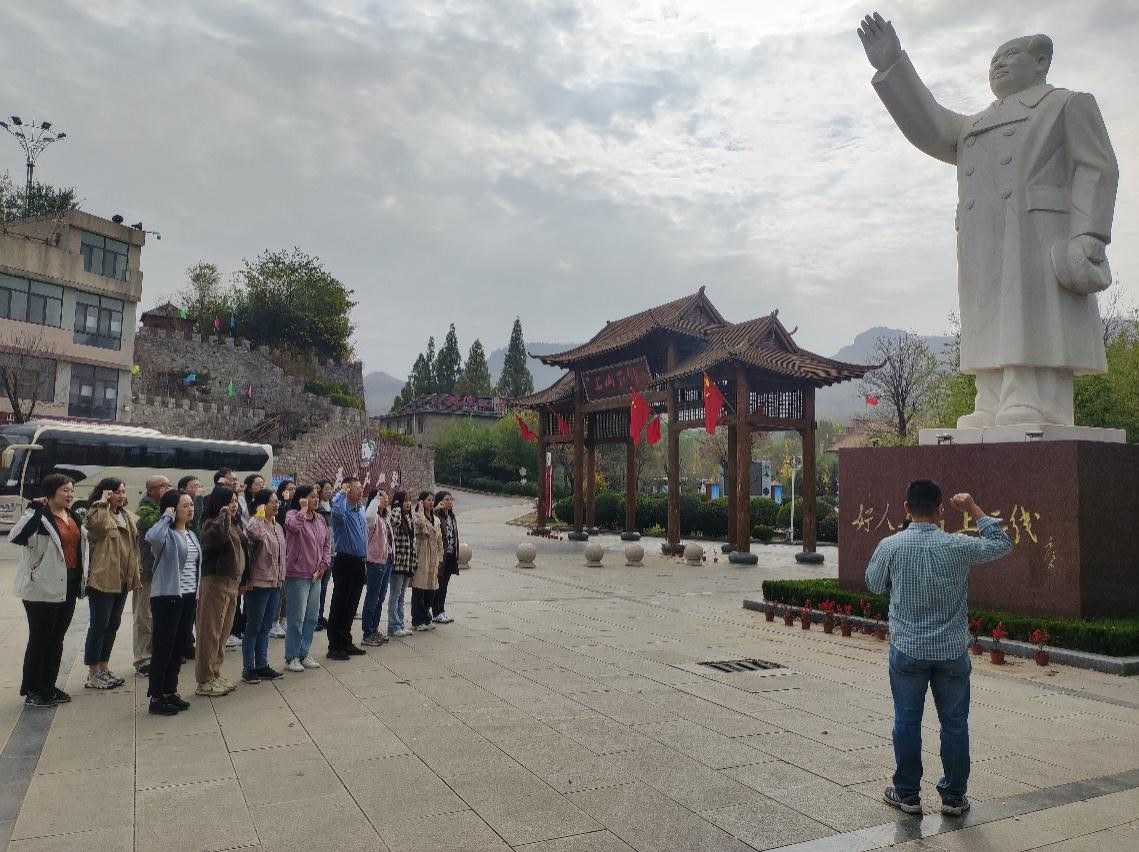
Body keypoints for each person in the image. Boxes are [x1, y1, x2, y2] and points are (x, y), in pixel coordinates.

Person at [858, 13, 1119, 427]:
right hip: (984, 236)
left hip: (1037, 231)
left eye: (1009, 55)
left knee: (1028, 313)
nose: (997, 64)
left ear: (1040, 61)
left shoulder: (1065, 104)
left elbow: (1097, 168)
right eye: (993, 60)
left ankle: (1029, 395)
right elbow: (932, 127)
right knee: (988, 313)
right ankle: (992, 395)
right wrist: (893, 65)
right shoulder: (974, 125)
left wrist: (1089, 233)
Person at [865, 480, 1012, 817]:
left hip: (907, 649)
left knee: (907, 721)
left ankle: (907, 794)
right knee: (955, 724)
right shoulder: (957, 545)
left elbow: (873, 584)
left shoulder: (891, 546)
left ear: (906, 507)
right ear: (941, 510)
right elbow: (1001, 544)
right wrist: (973, 507)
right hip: (951, 652)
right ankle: (954, 797)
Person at [11, 474, 88, 707]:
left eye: (72, 490)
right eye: (65, 490)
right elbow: (17, 536)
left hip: (68, 585)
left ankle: (48, 686)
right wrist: (33, 510)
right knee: (40, 639)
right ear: (51, 492)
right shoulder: (39, 515)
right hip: (41, 587)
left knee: (56, 639)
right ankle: (33, 690)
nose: (70, 494)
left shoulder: (73, 516)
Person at [144, 490, 200, 715]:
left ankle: (170, 691)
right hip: (167, 597)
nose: (190, 508)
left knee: (179, 647)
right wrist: (166, 517)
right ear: (172, 509)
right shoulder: (165, 534)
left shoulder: (191, 534)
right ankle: (156, 697)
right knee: (164, 647)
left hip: (188, 597)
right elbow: (152, 537)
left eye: (191, 504)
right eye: (185, 505)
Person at [83, 477, 141, 690]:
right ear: (105, 492)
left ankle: (104, 667)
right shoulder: (97, 513)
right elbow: (97, 529)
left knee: (113, 624)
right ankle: (93, 672)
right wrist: (101, 503)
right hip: (103, 579)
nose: (121, 495)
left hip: (122, 579)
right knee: (99, 625)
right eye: (116, 492)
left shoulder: (127, 515)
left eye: (123, 491)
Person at [195, 485, 245, 697]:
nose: (233, 505)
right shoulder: (210, 523)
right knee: (210, 633)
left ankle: (215, 672)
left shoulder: (233, 524)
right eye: (229, 501)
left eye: (235, 501)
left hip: (232, 583)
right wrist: (224, 515)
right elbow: (218, 539)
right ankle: (204, 679)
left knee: (223, 633)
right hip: (215, 582)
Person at [283, 484, 331, 671]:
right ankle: (292, 656)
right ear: (302, 498)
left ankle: (304, 653)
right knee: (296, 618)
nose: (316, 499)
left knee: (311, 617)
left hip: (316, 575)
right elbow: (293, 527)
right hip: (297, 574)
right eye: (312, 496)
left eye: (316, 496)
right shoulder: (292, 515)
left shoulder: (319, 519)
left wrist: (324, 563)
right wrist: (302, 510)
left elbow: (326, 543)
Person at [241, 490, 286, 683]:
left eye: (277, 502)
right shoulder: (255, 523)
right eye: (272, 502)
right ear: (261, 505)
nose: (276, 505)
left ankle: (262, 665)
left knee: (266, 626)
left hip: (275, 583)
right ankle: (248, 668)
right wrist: (259, 515)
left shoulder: (278, 526)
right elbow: (255, 535)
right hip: (258, 583)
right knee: (253, 627)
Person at [133, 474, 172, 678]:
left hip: (164, 569)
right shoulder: (145, 509)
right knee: (144, 616)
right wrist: (167, 512)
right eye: (163, 486)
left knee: (160, 615)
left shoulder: (166, 508)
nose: (167, 488)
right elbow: (155, 526)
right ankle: (143, 658)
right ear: (151, 490)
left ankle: (157, 653)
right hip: (147, 570)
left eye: (168, 485)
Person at [326, 477, 368, 660]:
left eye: (361, 487)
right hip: (344, 560)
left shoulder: (360, 509)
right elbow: (336, 513)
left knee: (352, 604)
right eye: (356, 488)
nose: (360, 490)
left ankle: (346, 641)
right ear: (348, 489)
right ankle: (334, 646)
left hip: (359, 561)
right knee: (340, 604)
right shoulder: (341, 508)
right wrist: (342, 493)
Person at [361, 489, 393, 646]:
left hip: (386, 560)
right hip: (374, 561)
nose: (386, 499)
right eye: (382, 497)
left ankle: (374, 629)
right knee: (372, 597)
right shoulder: (372, 516)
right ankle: (367, 633)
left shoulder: (385, 516)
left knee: (380, 598)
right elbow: (368, 517)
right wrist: (375, 500)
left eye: (386, 496)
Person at [410, 491, 441, 632]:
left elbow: (439, 540)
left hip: (433, 557)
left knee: (431, 589)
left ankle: (426, 617)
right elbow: (421, 524)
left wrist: (440, 557)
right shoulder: (417, 517)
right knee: (419, 589)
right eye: (428, 500)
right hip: (422, 554)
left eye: (432, 500)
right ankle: (417, 621)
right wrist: (421, 509)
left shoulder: (436, 519)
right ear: (422, 501)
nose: (431, 502)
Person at [387, 490, 415, 638]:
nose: (408, 503)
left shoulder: (408, 518)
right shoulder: (396, 516)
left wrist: (414, 562)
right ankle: (393, 625)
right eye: (405, 500)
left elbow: (412, 543)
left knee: (401, 596)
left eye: (409, 500)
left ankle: (400, 624)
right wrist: (397, 507)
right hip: (397, 564)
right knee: (395, 595)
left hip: (407, 564)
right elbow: (394, 522)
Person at [431, 491, 459, 624]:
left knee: (445, 585)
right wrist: (435, 509)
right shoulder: (436, 516)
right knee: (438, 585)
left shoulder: (451, 517)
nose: (449, 502)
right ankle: (436, 612)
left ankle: (441, 610)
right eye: (446, 499)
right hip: (440, 555)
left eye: (450, 499)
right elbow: (429, 520)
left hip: (450, 555)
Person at [314, 480, 335, 630]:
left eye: (331, 489)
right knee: (316, 587)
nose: (330, 491)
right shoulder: (317, 508)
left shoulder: (333, 506)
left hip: (331, 552)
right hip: (319, 553)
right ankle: (313, 617)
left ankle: (320, 615)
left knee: (324, 587)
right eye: (327, 488)